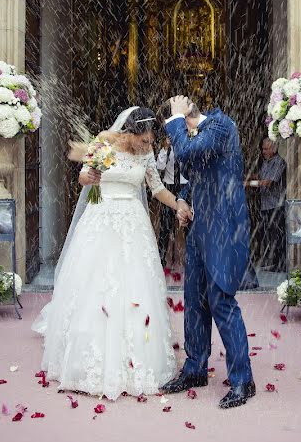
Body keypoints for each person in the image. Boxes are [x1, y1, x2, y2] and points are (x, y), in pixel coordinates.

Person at [32, 107, 179, 400]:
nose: (145, 146)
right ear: (130, 132)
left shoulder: (146, 154)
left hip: (134, 224)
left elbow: (157, 188)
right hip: (100, 219)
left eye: (150, 142)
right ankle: (86, 358)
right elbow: (83, 178)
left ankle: (137, 356)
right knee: (95, 283)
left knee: (135, 285)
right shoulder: (104, 141)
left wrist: (179, 205)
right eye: (143, 141)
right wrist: (90, 175)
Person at [160, 96, 255, 409]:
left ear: (189, 118)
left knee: (220, 299)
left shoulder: (220, 125)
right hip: (201, 230)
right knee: (195, 299)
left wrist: (174, 119)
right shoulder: (201, 135)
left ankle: (243, 380)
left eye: (180, 127)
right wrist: (184, 200)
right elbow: (196, 174)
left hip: (225, 227)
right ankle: (195, 369)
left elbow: (188, 152)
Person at [246, 138, 288, 272]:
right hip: (266, 205)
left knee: (278, 235)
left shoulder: (278, 162)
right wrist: (249, 176)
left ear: (274, 149)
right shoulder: (266, 162)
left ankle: (281, 265)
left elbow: (268, 182)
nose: (263, 151)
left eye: (266, 149)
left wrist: (247, 184)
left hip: (276, 205)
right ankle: (275, 263)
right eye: (263, 148)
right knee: (270, 235)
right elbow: (260, 176)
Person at [156, 135, 187, 267]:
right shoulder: (166, 149)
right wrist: (165, 148)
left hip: (185, 186)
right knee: (165, 225)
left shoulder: (188, 145)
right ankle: (161, 259)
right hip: (169, 186)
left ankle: (191, 259)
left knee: (187, 223)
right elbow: (160, 166)